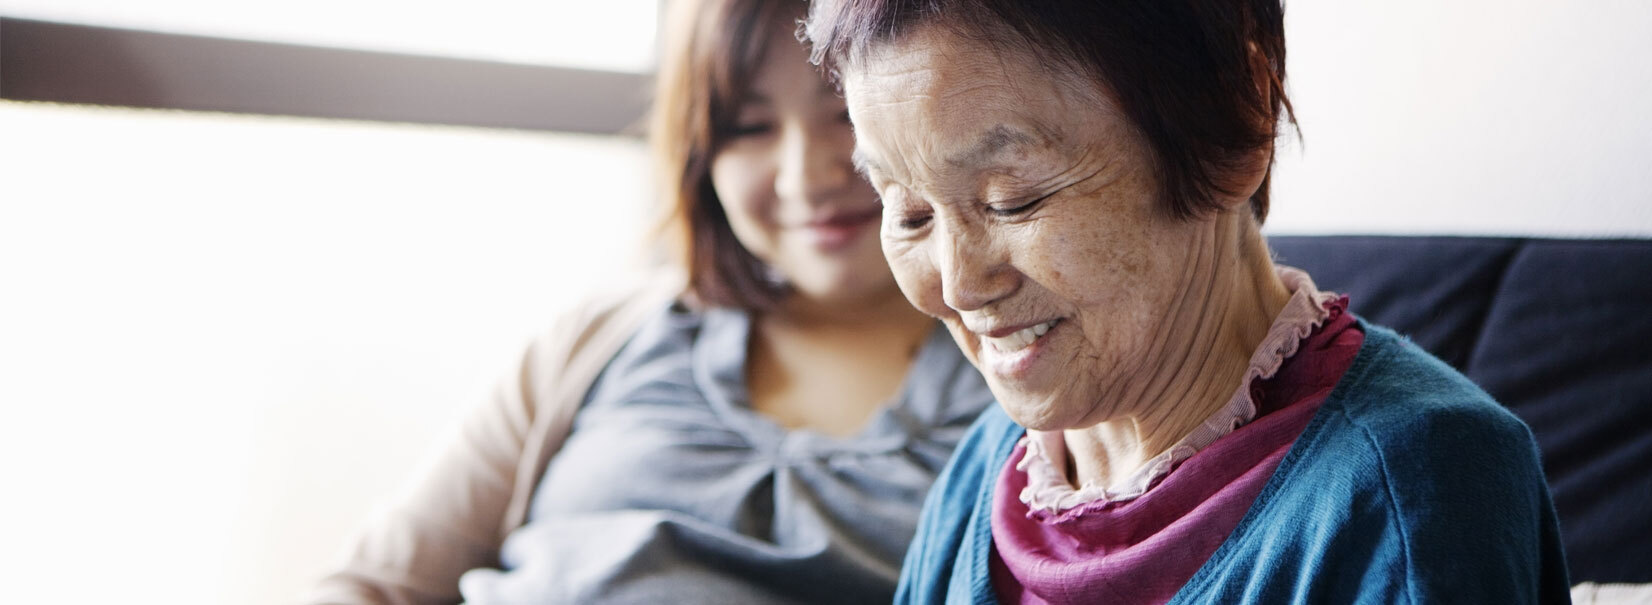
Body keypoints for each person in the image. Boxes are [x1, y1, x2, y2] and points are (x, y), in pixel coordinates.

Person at [802, 0, 1572, 602]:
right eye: (908, 212)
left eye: (1014, 199)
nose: (958, 283)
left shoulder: (1416, 485)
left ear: (1231, 134)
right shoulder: (987, 470)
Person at [308, 0, 993, 602]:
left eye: (842, 114)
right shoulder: (606, 333)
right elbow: (375, 584)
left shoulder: (1025, 388)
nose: (804, 174)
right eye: (749, 127)